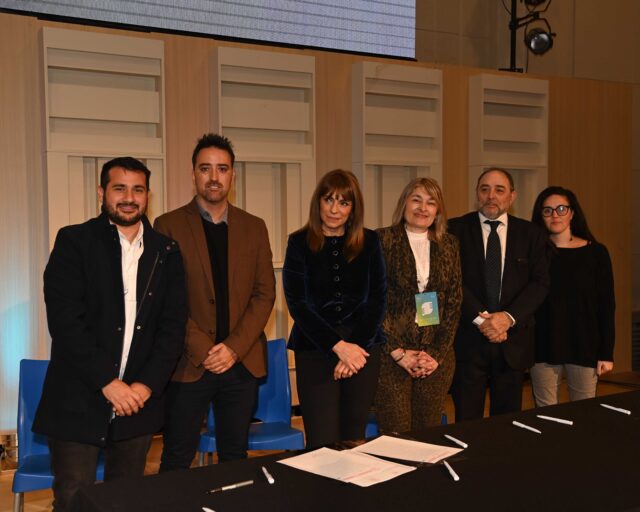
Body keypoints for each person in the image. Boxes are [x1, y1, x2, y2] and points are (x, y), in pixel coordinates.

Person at [33, 157, 186, 511]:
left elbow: (172, 327)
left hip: (137, 401)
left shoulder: (167, 251)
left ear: (148, 195)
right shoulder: (74, 241)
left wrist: (144, 386)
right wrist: (108, 382)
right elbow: (66, 322)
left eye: (138, 189)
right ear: (102, 193)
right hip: (79, 396)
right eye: (120, 188)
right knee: (75, 499)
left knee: (126, 500)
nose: (129, 198)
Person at [154, 133, 275, 468]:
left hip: (241, 362)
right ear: (193, 174)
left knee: (235, 455)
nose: (214, 176)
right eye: (205, 168)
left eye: (222, 169)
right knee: (177, 456)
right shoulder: (168, 226)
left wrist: (233, 348)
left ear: (233, 175)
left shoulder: (255, 227)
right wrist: (206, 349)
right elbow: (166, 299)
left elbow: (264, 294)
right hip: (189, 363)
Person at [283, 169, 387, 448]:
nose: (334, 209)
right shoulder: (298, 242)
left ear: (353, 208)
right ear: (318, 202)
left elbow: (377, 299)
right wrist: (338, 347)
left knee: (354, 439)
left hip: (363, 352)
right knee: (322, 442)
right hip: (315, 352)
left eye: (344, 202)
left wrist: (354, 349)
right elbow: (298, 304)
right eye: (329, 199)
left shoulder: (371, 241)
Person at [448, 168, 550, 420]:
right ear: (477, 194)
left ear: (512, 196)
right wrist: (483, 320)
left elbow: (540, 283)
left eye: (499, 190)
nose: (491, 196)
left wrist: (508, 318)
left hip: (512, 343)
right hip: (468, 342)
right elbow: (451, 281)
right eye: (484, 189)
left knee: (508, 423)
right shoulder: (454, 230)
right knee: (466, 421)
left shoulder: (532, 234)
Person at [374, 178, 462, 433]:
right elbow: (375, 301)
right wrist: (398, 353)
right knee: (397, 435)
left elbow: (454, 303)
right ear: (404, 204)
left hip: (435, 360)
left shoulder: (449, 245)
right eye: (417, 200)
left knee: (429, 435)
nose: (423, 208)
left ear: (438, 211)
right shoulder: (382, 241)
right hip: (392, 359)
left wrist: (435, 354)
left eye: (431, 202)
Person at [529, 186, 615, 406]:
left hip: (584, 343)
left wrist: (606, 352)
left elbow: (606, 305)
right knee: (545, 413)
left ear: (573, 212)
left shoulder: (596, 253)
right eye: (547, 210)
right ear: (541, 216)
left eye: (561, 209)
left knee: (584, 412)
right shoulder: (534, 254)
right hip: (543, 343)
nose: (554, 215)